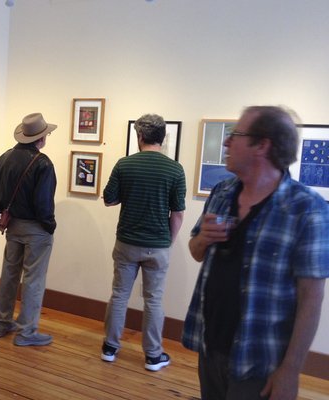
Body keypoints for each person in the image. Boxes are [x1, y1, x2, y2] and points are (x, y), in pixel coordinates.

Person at [182, 106, 329, 400]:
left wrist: (291, 369)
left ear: (262, 145)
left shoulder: (307, 209)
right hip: (210, 346)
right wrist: (203, 240)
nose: (225, 142)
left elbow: (311, 298)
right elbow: (196, 251)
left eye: (235, 135)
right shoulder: (222, 193)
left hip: (259, 361)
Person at [101, 114, 186, 371]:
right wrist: (167, 242)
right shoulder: (175, 169)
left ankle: (110, 348)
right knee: (154, 300)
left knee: (119, 295)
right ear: (162, 138)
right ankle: (152, 355)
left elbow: (109, 200)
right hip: (157, 245)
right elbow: (178, 213)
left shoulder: (124, 165)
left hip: (126, 242)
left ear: (139, 136)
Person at [0, 112, 57, 346]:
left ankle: (1, 323)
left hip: (12, 225)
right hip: (36, 229)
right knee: (33, 279)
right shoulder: (43, 163)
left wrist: (0, 212)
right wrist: (50, 226)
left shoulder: (5, 157)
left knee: (9, 273)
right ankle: (27, 332)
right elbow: (43, 203)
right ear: (41, 138)